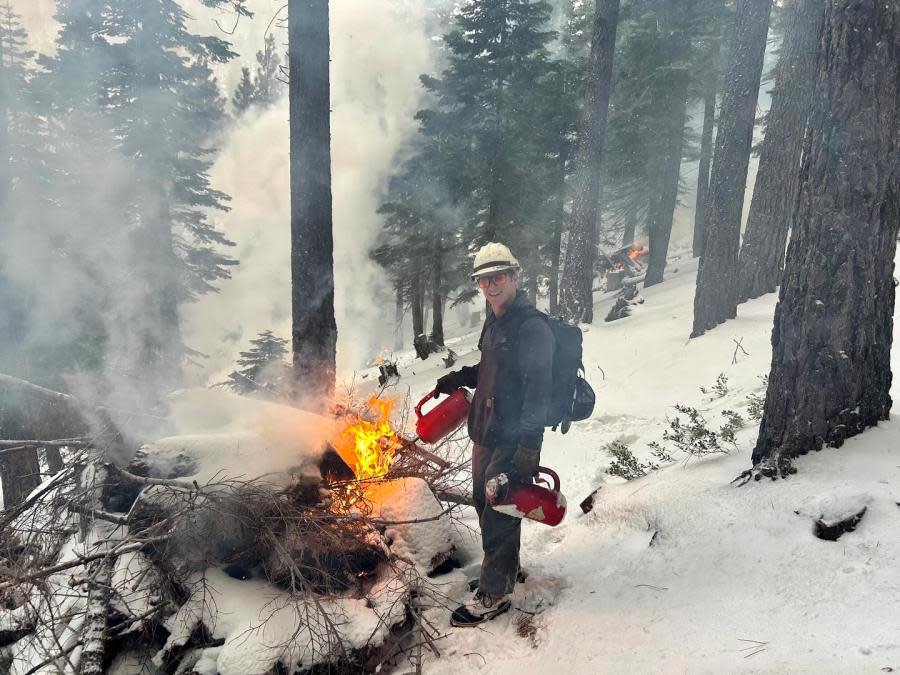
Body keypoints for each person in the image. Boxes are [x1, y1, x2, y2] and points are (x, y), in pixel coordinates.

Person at [433, 242, 554, 627]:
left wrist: (529, 446)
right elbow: (490, 368)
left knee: (499, 504)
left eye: (498, 277)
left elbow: (539, 390)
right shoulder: (494, 320)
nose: (491, 285)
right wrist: (458, 377)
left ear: (514, 277)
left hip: (514, 434)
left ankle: (494, 593)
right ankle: (505, 569)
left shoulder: (531, 327)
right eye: (484, 279)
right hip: (486, 428)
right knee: (484, 502)